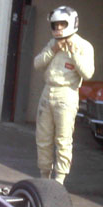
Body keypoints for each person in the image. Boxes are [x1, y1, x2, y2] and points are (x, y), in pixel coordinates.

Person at [34, 6, 94, 184]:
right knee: (43, 138)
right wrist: (53, 50)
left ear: (71, 23)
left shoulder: (83, 46)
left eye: (62, 24)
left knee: (63, 139)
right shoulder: (52, 43)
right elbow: (37, 64)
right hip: (48, 91)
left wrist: (73, 53)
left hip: (66, 94)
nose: (58, 29)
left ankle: (59, 180)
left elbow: (88, 73)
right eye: (55, 25)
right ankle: (44, 176)